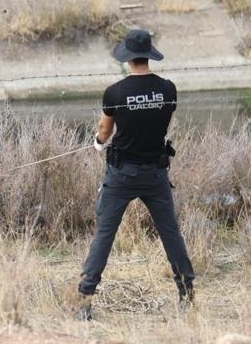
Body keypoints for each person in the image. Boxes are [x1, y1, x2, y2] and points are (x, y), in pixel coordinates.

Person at [77, 29, 195, 320]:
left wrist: (97, 143)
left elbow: (104, 132)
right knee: (170, 234)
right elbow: (160, 123)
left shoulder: (115, 93)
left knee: (104, 234)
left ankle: (85, 299)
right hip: (156, 174)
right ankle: (187, 293)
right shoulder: (168, 89)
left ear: (127, 58)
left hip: (121, 175)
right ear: (148, 55)